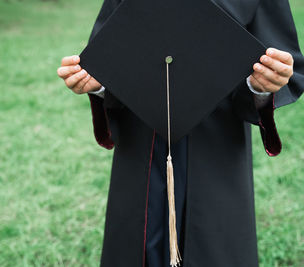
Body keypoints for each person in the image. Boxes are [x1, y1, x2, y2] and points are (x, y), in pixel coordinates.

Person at [57, 0, 304, 266]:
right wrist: (97, 82)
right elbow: (109, 55)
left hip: (217, 146)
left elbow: (278, 61)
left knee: (215, 248)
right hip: (142, 145)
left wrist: (263, 84)